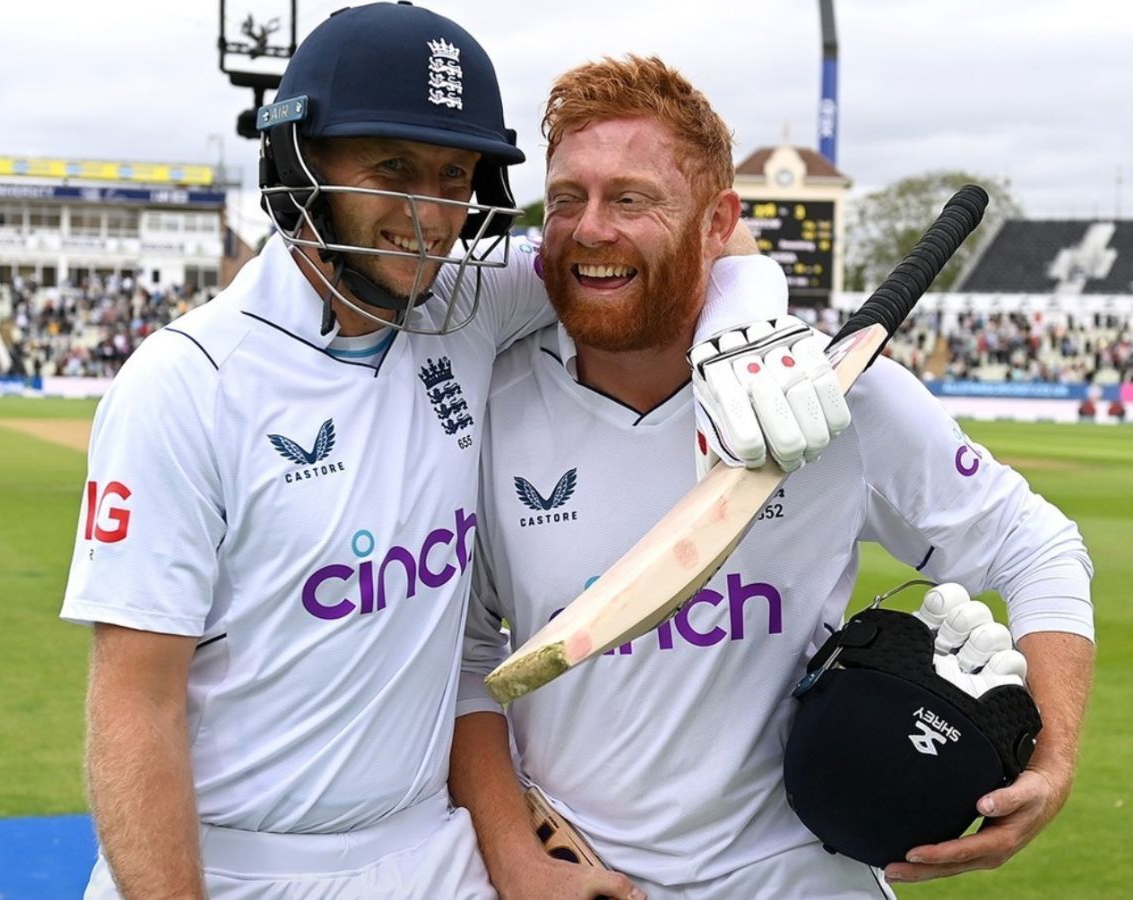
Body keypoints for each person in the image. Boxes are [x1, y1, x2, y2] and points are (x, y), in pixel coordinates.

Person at [59, 6, 779, 898]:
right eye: (392, 169)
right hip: (243, 865)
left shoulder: (464, 307)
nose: (427, 215)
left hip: (434, 857)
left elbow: (679, 227)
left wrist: (751, 301)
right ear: (300, 165)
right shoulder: (187, 383)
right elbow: (137, 706)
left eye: (452, 175)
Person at [450, 55, 1095, 898]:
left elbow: (1034, 544)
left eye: (632, 198)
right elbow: (465, 657)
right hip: (586, 876)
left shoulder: (834, 397)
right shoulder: (486, 408)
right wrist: (514, 854)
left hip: (800, 878)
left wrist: (1052, 762)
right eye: (568, 197)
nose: (590, 228)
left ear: (720, 223)